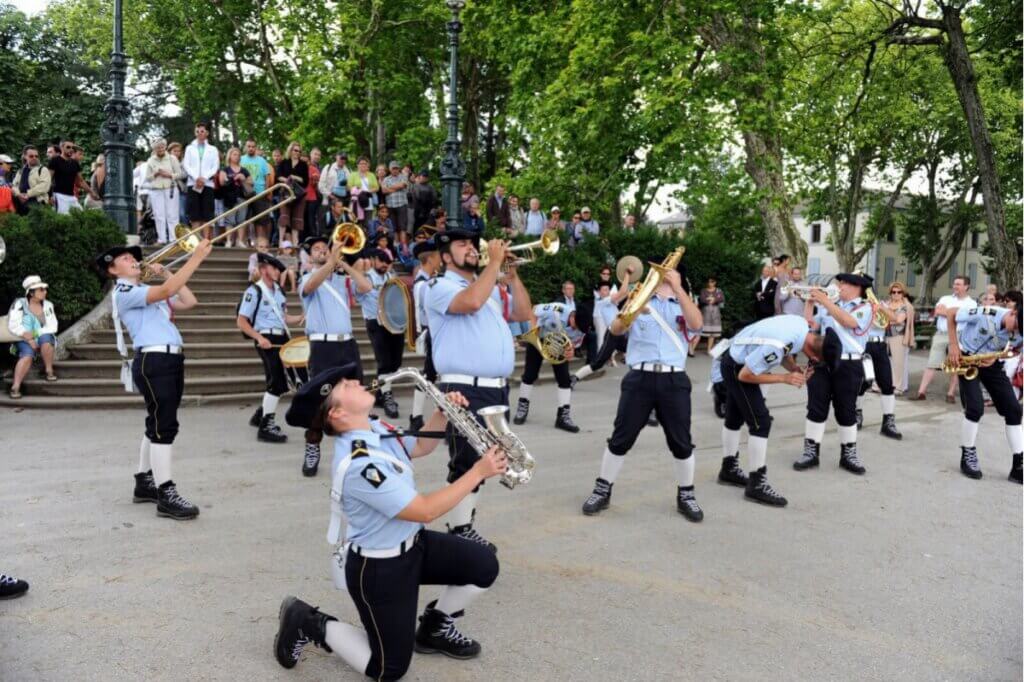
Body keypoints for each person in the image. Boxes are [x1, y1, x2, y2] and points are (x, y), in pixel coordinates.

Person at [274, 364, 507, 678]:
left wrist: (443, 411)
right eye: (346, 385)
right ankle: (307, 621)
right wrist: (478, 472)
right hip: (381, 570)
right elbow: (423, 510)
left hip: (414, 544)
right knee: (389, 669)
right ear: (337, 414)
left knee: (484, 565)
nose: (356, 381)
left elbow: (421, 446)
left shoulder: (375, 427)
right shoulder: (360, 465)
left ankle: (434, 628)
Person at [424, 230, 533, 550]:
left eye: (473, 244)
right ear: (445, 257)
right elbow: (470, 302)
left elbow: (523, 314)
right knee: (467, 462)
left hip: (495, 390)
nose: (471, 249)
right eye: (462, 245)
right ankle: (459, 533)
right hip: (464, 388)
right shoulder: (439, 286)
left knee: (487, 461)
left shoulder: (490, 288)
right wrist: (494, 263)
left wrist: (512, 279)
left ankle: (463, 525)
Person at [580, 257, 705, 521]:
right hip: (640, 378)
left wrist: (680, 289)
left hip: (674, 380)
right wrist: (634, 310)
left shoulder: (683, 303)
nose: (664, 279)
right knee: (620, 438)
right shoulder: (640, 298)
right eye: (661, 275)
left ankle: (686, 494)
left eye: (669, 276)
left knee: (681, 442)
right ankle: (602, 489)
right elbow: (615, 328)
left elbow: (697, 325)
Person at [96, 239, 213, 520]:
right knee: (164, 426)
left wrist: (168, 273)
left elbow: (188, 300)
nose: (132, 260)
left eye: (131, 256)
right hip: (153, 359)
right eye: (123, 259)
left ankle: (144, 481)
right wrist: (195, 258)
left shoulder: (144, 290)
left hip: (169, 358)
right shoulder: (124, 292)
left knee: (156, 421)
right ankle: (166, 493)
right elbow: (169, 291)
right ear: (113, 270)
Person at [719, 315, 835, 507]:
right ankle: (757, 484)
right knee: (761, 422)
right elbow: (746, 375)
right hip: (738, 367)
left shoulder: (801, 328)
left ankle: (728, 469)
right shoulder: (778, 345)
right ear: (814, 357)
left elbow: (786, 350)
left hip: (737, 356)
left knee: (734, 418)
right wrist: (785, 378)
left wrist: (794, 367)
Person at [295, 235, 373, 476]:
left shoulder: (343, 281)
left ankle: (357, 449)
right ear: (309, 257)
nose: (321, 251)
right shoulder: (307, 277)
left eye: (324, 248)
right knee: (320, 400)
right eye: (316, 249)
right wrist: (331, 262)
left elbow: (366, 287)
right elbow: (310, 287)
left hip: (347, 345)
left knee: (356, 398)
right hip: (322, 347)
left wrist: (344, 263)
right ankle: (312, 445)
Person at [793, 273, 873, 475]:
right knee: (815, 408)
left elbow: (848, 322)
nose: (840, 286)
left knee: (846, 410)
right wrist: (810, 303)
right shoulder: (830, 305)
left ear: (857, 287)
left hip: (849, 365)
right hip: (822, 363)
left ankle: (849, 454)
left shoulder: (865, 307)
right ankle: (811, 452)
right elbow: (808, 325)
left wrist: (825, 301)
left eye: (844, 283)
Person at [942, 291, 1023, 482]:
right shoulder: (987, 312)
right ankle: (967, 454)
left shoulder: (1020, 329)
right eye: (1017, 327)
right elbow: (952, 312)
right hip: (966, 357)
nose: (1016, 332)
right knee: (975, 408)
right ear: (1012, 313)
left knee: (1013, 410)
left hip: (991, 362)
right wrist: (953, 345)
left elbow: (1016, 349)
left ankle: (1019, 464)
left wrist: (997, 356)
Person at [237, 252, 305, 442]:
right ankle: (266, 426)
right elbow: (242, 321)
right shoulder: (254, 291)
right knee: (277, 382)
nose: (278, 271)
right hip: (266, 338)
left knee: (276, 381)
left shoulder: (279, 291)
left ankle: (260, 415)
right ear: (263, 268)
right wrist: (259, 338)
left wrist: (298, 318)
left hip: (281, 337)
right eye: (274, 268)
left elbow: (283, 318)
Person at [511, 302, 580, 433]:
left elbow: (574, 344)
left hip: (558, 344)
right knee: (529, 375)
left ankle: (563, 417)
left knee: (564, 379)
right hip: (539, 338)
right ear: (572, 316)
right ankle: (522, 406)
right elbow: (534, 310)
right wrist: (533, 331)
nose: (574, 328)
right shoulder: (557, 309)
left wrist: (570, 351)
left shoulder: (582, 326)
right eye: (574, 324)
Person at [355, 249, 406, 419]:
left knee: (395, 363)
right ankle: (387, 398)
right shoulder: (367, 279)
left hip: (393, 323)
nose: (384, 264)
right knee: (384, 363)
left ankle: (379, 394)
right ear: (373, 260)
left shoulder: (391, 277)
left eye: (387, 261)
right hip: (376, 323)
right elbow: (360, 291)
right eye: (381, 260)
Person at [911, 276, 976, 403]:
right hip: (941, 334)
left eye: (958, 284)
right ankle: (921, 392)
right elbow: (937, 312)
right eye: (954, 284)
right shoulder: (945, 298)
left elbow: (964, 318)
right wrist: (954, 313)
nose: (955, 286)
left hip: (959, 336)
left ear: (966, 286)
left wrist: (947, 312)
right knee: (931, 363)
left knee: (955, 365)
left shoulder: (971, 303)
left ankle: (950, 393)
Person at [855, 280, 903, 439]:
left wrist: (880, 308)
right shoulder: (857, 306)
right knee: (864, 383)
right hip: (865, 346)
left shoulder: (881, 304)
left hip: (880, 347)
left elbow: (895, 319)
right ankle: (857, 414)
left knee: (887, 384)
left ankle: (888, 422)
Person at [572, 278, 633, 386]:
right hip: (612, 335)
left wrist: (632, 294)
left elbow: (626, 295)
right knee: (598, 363)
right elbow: (623, 292)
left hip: (621, 335)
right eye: (604, 290)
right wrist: (627, 274)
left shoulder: (613, 302)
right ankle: (575, 377)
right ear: (599, 292)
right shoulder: (601, 302)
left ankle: (636, 381)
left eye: (608, 290)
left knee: (636, 353)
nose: (607, 292)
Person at [6, 276, 59, 399]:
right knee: (27, 355)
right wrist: (28, 338)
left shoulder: (48, 305)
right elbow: (13, 324)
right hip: (23, 338)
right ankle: (15, 386)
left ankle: (48, 370)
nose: (45, 291)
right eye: (41, 289)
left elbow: (53, 326)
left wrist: (34, 334)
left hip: (41, 336)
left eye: (45, 289)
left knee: (46, 339)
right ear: (31, 293)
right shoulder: (19, 304)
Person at [409, 238, 441, 432]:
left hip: (436, 333)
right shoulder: (423, 285)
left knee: (430, 375)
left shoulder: (430, 281)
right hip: (434, 334)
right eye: (438, 256)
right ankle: (416, 416)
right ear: (430, 259)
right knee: (430, 375)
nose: (440, 260)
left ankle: (416, 416)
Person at [182, 122, 220, 239]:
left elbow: (215, 166)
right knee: (194, 214)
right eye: (197, 131)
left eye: (202, 131)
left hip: (207, 184)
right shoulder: (189, 148)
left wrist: (205, 177)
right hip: (193, 183)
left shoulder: (213, 149)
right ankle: (196, 240)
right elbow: (186, 165)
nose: (199, 133)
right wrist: (195, 177)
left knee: (207, 213)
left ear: (207, 133)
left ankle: (205, 240)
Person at [145, 138, 182, 245]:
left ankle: (174, 239)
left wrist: (169, 175)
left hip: (170, 189)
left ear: (165, 147)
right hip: (156, 190)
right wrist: (156, 174)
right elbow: (147, 178)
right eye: (157, 148)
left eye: (162, 147)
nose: (160, 149)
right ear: (154, 149)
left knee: (172, 215)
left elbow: (180, 174)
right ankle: (162, 239)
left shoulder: (172, 158)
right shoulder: (151, 160)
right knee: (159, 215)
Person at [240, 138, 275, 245]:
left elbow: (267, 177)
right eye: (249, 146)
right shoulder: (241, 159)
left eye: (253, 146)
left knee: (260, 220)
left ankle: (260, 242)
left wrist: (267, 192)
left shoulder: (262, 161)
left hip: (260, 193)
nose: (251, 148)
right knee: (243, 219)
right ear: (246, 147)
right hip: (244, 193)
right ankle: (243, 242)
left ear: (256, 147)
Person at [216, 146, 252, 247]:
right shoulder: (225, 169)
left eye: (238, 155)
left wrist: (243, 178)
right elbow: (221, 182)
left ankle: (240, 241)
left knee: (241, 219)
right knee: (229, 220)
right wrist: (230, 179)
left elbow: (251, 182)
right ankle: (229, 240)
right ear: (229, 156)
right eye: (234, 154)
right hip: (229, 197)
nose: (236, 156)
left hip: (242, 196)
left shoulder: (244, 170)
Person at [276, 142, 309, 246]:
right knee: (284, 216)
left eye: (299, 151)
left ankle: (295, 243)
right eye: (295, 150)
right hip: (285, 192)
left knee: (297, 218)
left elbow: (305, 181)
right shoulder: (284, 162)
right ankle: (281, 241)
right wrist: (287, 180)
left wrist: (294, 177)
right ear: (290, 150)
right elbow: (278, 176)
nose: (297, 153)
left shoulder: (303, 164)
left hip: (299, 195)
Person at [884, 282, 914, 394]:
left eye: (899, 292)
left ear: (903, 293)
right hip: (884, 335)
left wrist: (886, 320)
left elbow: (899, 320)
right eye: (893, 292)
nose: (896, 294)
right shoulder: (886, 304)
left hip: (898, 336)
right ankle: (881, 385)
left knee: (898, 364)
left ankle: (898, 387)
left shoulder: (905, 306)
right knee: (884, 362)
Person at [11, 146, 51, 214]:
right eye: (31, 156)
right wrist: (18, 195)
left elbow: (44, 186)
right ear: (25, 157)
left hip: (37, 203)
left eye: (36, 156)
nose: (34, 158)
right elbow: (14, 185)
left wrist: (28, 194)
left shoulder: (43, 170)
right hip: (20, 204)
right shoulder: (20, 171)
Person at [47, 140, 85, 213]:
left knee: (80, 215)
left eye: (72, 148)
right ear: (61, 148)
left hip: (71, 196)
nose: (71, 149)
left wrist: (91, 192)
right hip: (58, 195)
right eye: (68, 147)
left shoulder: (74, 163)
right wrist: (49, 196)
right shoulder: (55, 161)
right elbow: (49, 180)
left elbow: (80, 181)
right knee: (63, 219)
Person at [347, 156, 379, 225]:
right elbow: (349, 187)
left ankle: (366, 235)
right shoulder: (353, 175)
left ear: (368, 165)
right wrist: (358, 191)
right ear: (357, 165)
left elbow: (377, 187)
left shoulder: (371, 175)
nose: (363, 165)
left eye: (365, 163)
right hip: (357, 201)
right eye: (361, 163)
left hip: (368, 201)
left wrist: (368, 192)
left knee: (368, 222)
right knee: (356, 221)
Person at [695, 278, 725, 353]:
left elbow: (721, 298)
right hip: (706, 312)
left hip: (715, 313)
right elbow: (702, 299)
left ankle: (709, 349)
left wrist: (714, 300)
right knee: (702, 330)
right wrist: (710, 299)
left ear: (715, 282)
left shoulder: (718, 290)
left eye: (712, 282)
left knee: (713, 332)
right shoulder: (704, 290)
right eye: (709, 282)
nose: (710, 283)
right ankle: (692, 348)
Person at [381, 160, 410, 235]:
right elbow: (383, 191)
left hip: (402, 205)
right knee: (393, 227)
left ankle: (403, 246)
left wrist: (389, 188)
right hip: (390, 206)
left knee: (402, 227)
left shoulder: (404, 176)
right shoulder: (386, 179)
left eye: (396, 168)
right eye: (393, 168)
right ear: (390, 169)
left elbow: (402, 185)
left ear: (399, 169)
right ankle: (396, 245)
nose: (395, 170)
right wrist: (397, 187)